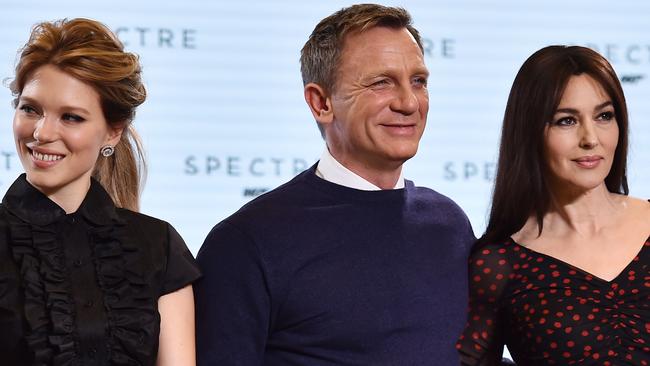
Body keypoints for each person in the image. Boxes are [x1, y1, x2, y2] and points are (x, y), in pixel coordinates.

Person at [194, 4, 475, 365]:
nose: (408, 102)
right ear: (321, 102)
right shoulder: (246, 243)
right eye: (381, 82)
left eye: (418, 81)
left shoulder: (448, 223)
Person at [0, 18, 201, 365]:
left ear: (112, 132)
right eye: (30, 109)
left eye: (71, 117)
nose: (42, 132)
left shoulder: (159, 247)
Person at [456, 45, 650, 365]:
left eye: (604, 116)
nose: (591, 138)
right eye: (566, 121)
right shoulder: (499, 264)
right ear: (530, 132)